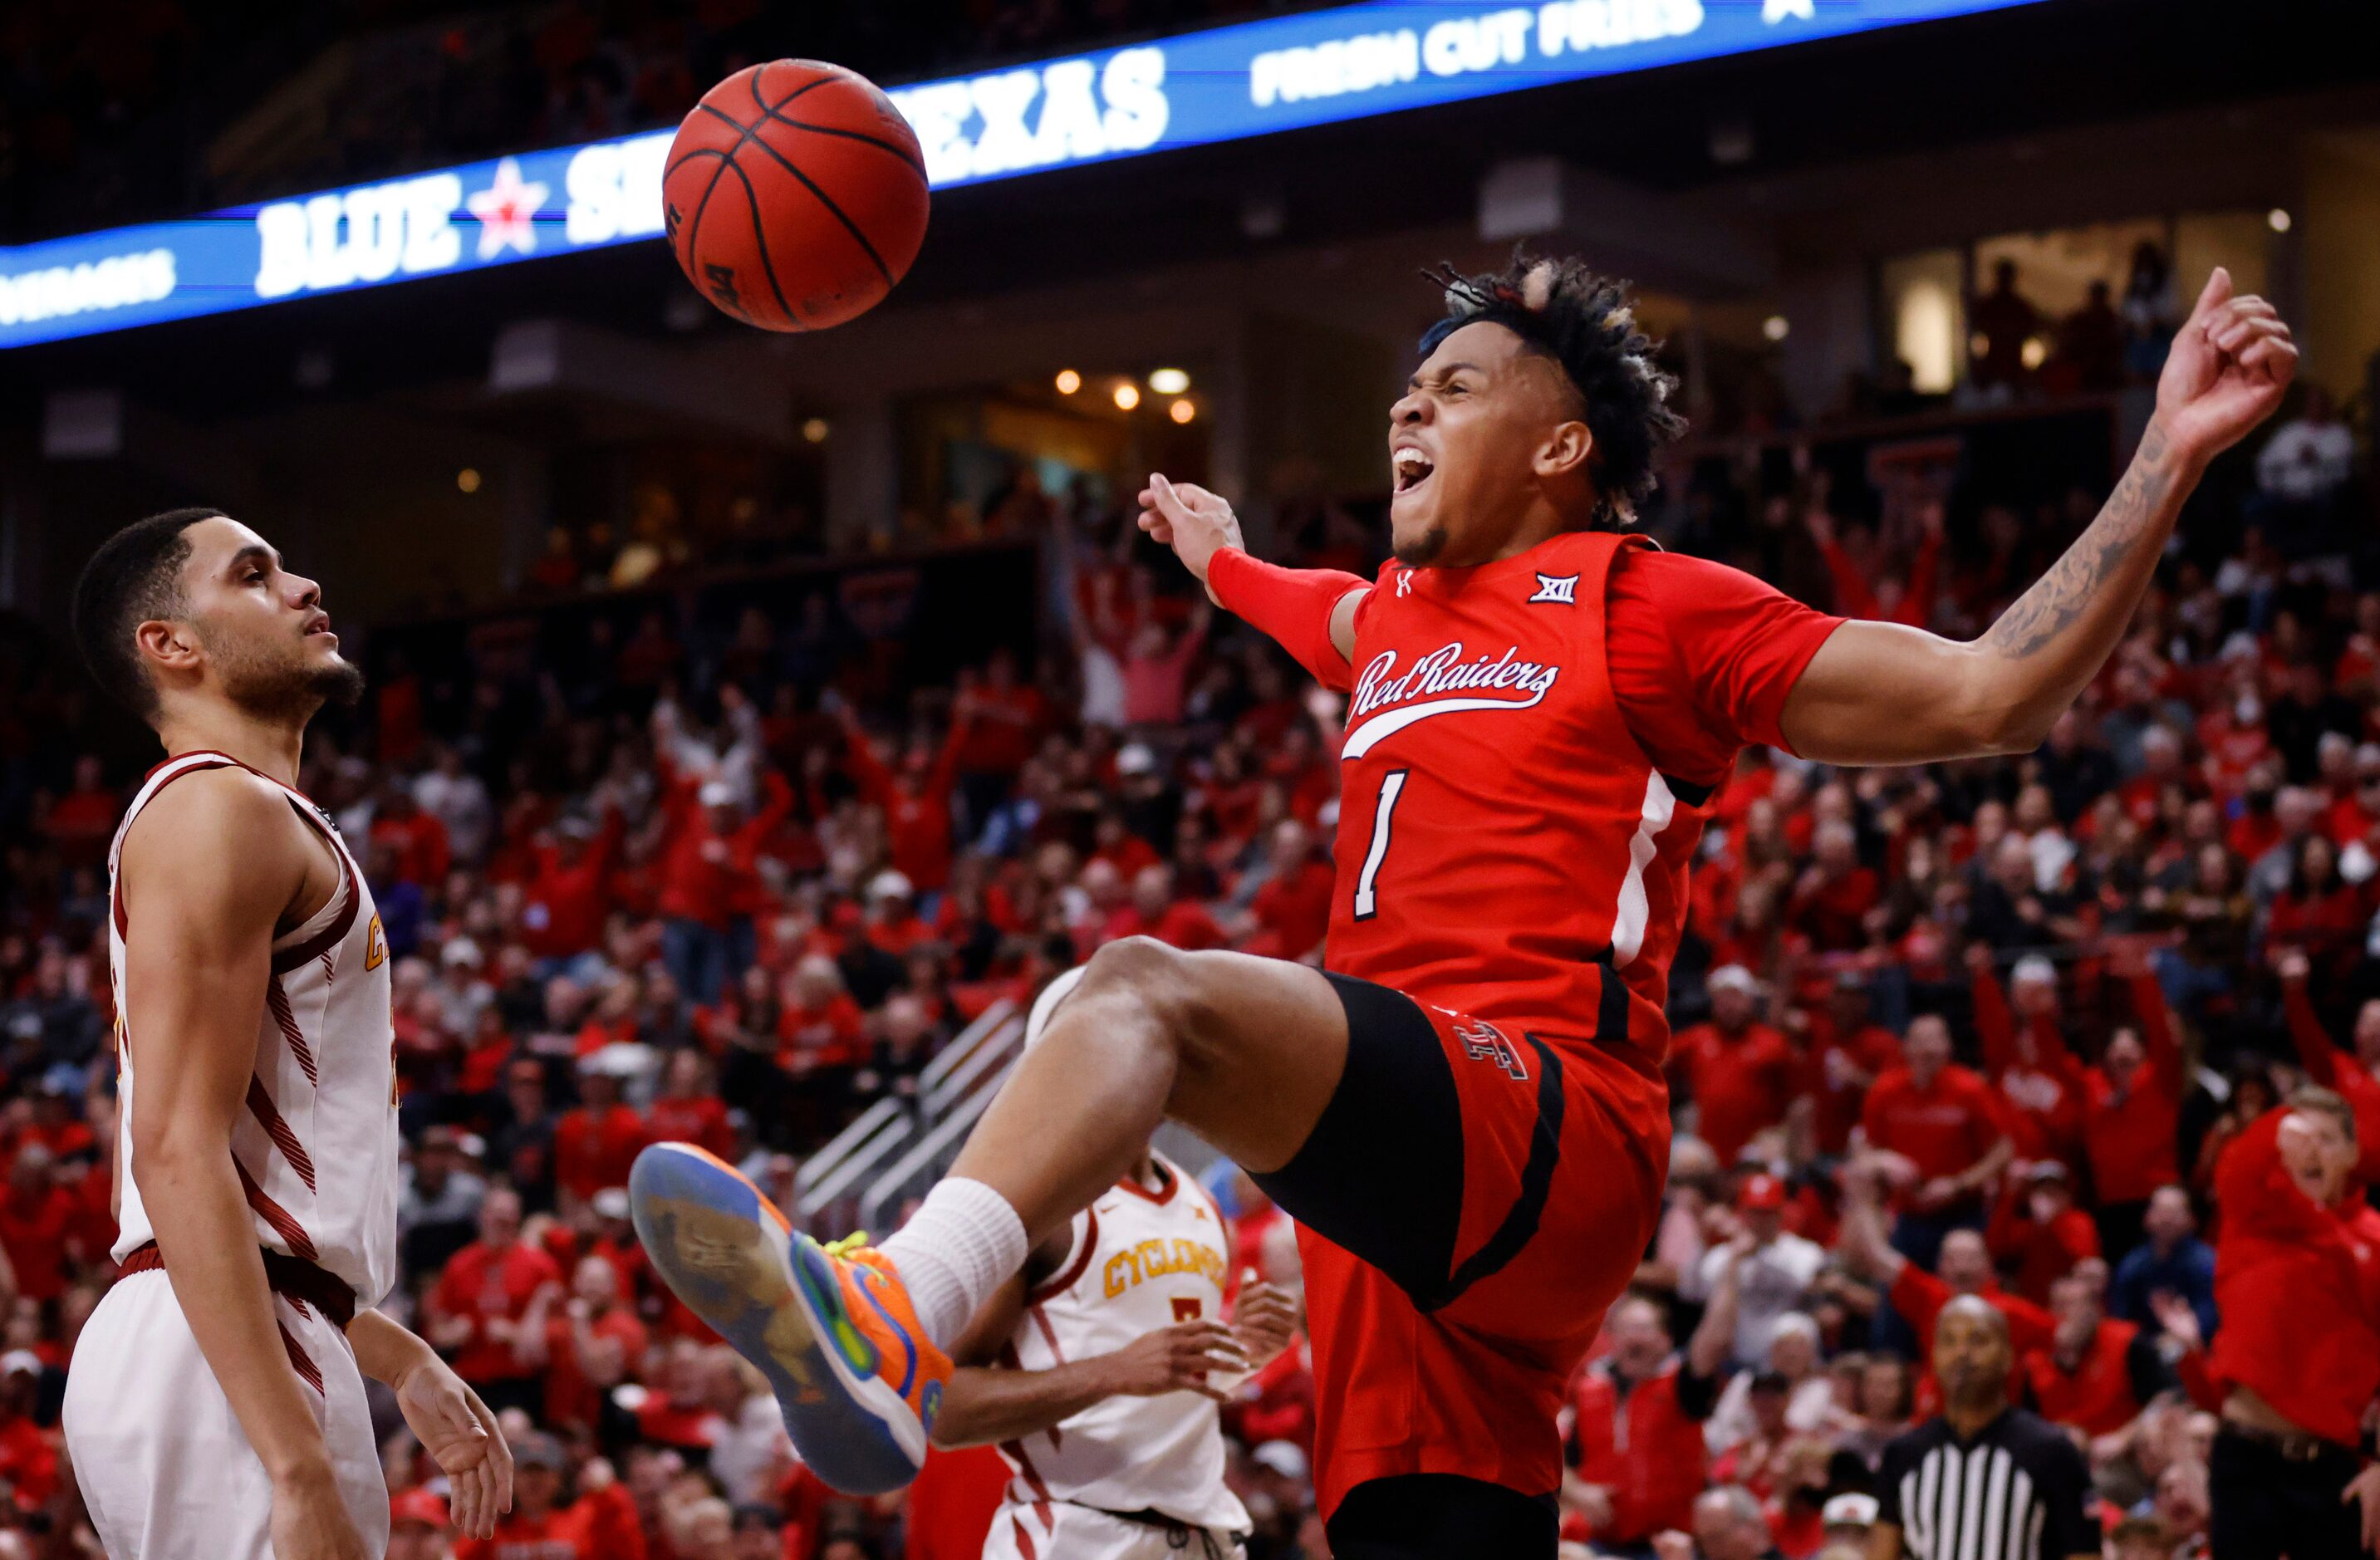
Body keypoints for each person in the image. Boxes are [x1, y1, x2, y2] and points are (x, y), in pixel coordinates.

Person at [629, 257, 2296, 1558]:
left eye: (1451, 388)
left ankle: (896, 1312)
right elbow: (1290, 601)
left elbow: (1988, 694)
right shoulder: (1389, 623)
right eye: (1402, 393)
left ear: (1558, 444)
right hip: (1389, 1209)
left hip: (1542, 1114)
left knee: (1133, 995)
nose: (1403, 415)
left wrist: (2165, 451)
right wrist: (1208, 557)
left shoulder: (1644, 605)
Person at [58, 508, 513, 1558]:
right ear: (172, 645)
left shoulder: (242, 813)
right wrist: (293, 1460)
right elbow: (176, 1152)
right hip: (227, 1357)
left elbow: (256, 1203)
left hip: (238, 1330)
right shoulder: (220, 810)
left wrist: (397, 1357)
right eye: (254, 575)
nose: (305, 586)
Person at [931, 967, 1300, 1558]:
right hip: (1076, 1534)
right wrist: (1114, 1371)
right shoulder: (1037, 1205)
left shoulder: (1203, 1203)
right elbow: (942, 1410)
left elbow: (1169, 1385)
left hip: (1203, 1536)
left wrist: (1245, 1353)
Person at [2202, 1089, 2380, 1558]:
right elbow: (2240, 1163)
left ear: (2353, 1152)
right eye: (2298, 1141)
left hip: (2332, 1468)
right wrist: (2279, 1126)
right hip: (2245, 1459)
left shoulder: (2374, 1241)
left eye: (2325, 1139)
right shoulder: (2250, 1213)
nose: (2311, 1152)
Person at [1872, 1298, 2099, 1560]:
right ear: (1933, 1356)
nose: (1962, 1353)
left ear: (2007, 1356)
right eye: (1949, 1341)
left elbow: (2085, 1554)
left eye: (1978, 1341)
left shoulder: (2052, 1451)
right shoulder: (1902, 1455)